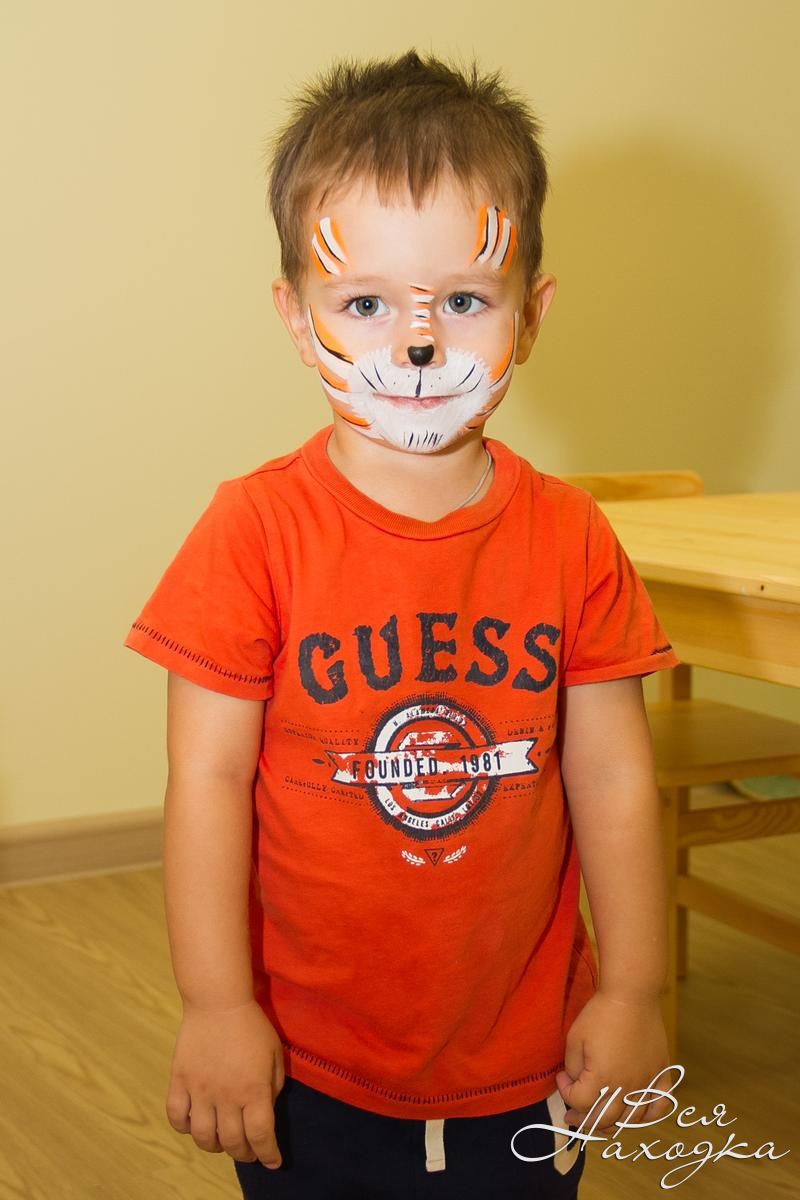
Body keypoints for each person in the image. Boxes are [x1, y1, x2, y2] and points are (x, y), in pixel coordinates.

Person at [123, 48, 680, 1199]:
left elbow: (614, 780)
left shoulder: (573, 540)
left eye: (462, 301)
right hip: (306, 1068)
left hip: (528, 1064)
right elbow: (207, 781)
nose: (415, 344)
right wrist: (216, 1004)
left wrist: (634, 990)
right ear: (296, 317)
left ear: (529, 314)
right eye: (363, 303)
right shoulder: (251, 533)